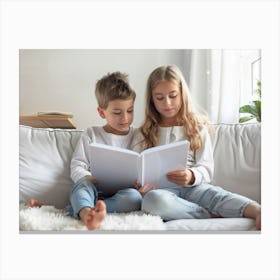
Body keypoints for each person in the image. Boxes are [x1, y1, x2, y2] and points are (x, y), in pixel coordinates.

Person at [133, 65, 261, 230]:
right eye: (159, 97)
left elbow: (207, 168)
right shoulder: (143, 133)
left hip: (193, 187)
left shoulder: (196, 127)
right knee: (152, 201)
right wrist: (140, 185)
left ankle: (257, 210)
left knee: (216, 195)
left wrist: (191, 175)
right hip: (163, 192)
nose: (167, 103)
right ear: (151, 99)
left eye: (173, 96)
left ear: (182, 95)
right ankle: (205, 214)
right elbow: (138, 170)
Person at [29, 71, 142, 230]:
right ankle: (88, 214)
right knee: (81, 187)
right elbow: (77, 165)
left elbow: (140, 168)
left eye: (130, 111)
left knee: (134, 198)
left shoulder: (138, 135)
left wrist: (139, 181)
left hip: (122, 192)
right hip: (93, 189)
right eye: (117, 113)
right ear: (101, 112)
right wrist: (87, 177)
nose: (125, 118)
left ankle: (74, 210)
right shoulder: (91, 134)